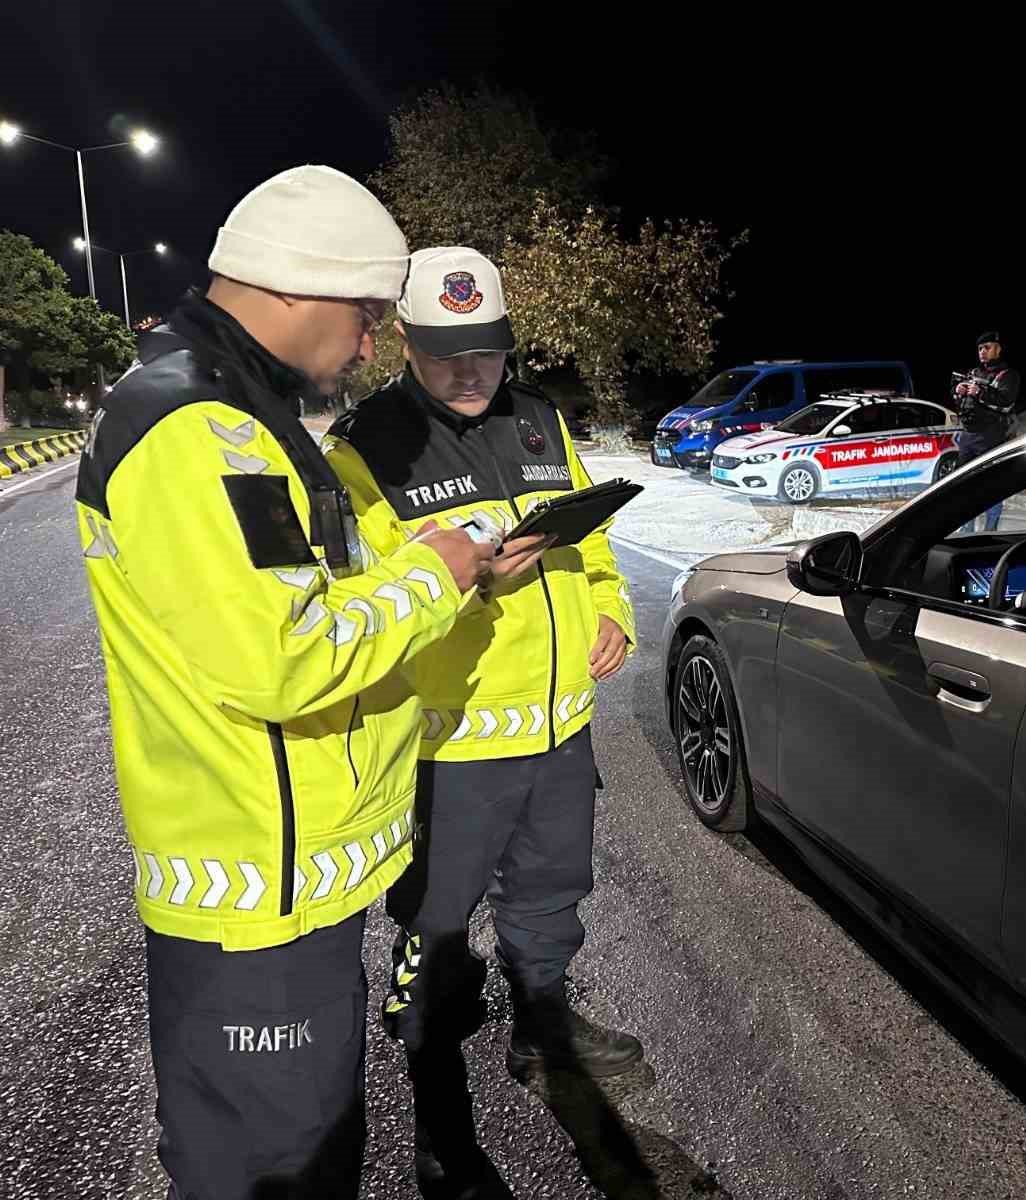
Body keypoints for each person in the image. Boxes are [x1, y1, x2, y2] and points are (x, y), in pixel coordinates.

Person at [73, 166, 495, 1200]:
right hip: (260, 900)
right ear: (302, 287)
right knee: (278, 1168)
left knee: (301, 1151)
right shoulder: (192, 427)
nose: (364, 345)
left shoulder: (237, 413)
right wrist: (431, 578)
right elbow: (284, 655)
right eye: (363, 316)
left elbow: (299, 602)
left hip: (289, 883)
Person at [323, 247, 641, 1198]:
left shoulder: (540, 418)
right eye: (447, 352)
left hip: (558, 729)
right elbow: (356, 605)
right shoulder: (363, 448)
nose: (472, 372)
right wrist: (464, 586)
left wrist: (613, 607)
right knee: (439, 935)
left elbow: (590, 541)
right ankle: (439, 1123)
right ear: (405, 345)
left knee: (551, 896)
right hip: (449, 746)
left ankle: (544, 1027)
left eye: (488, 351)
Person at [952, 330, 1021, 532]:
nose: (983, 351)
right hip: (968, 435)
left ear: (998, 349)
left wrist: (980, 393)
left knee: (991, 485)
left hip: (991, 435)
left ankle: (990, 530)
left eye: (987, 347)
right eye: (980, 348)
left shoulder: (1009, 375)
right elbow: (963, 404)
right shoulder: (974, 373)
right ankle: (966, 530)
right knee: (963, 485)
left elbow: (1006, 403)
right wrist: (958, 392)